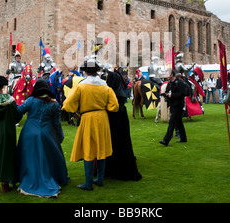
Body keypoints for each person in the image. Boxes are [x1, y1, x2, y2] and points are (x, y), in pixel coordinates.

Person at [62, 59, 119, 191]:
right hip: (102, 118)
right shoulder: (105, 86)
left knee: (88, 148)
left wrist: (75, 111)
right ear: (97, 71)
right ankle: (99, 179)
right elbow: (114, 106)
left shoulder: (81, 86)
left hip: (87, 118)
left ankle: (88, 182)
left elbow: (67, 104)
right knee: (101, 148)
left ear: (86, 72)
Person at [15, 79, 69, 198]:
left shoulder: (31, 100)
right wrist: (60, 136)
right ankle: (50, 177)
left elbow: (18, 110)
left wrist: (11, 102)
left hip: (29, 133)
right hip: (47, 133)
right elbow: (57, 124)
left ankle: (29, 178)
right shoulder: (54, 104)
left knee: (30, 158)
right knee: (46, 158)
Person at [104, 69, 142, 181]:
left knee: (118, 144)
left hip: (116, 123)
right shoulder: (118, 92)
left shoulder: (116, 94)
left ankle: (116, 171)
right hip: (119, 121)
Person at [159, 69, 188, 146]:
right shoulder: (169, 84)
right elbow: (169, 93)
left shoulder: (179, 83)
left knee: (172, 122)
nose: (165, 76)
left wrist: (172, 95)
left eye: (167, 74)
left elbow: (183, 93)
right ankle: (183, 138)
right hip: (173, 105)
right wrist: (166, 95)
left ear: (171, 74)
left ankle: (166, 140)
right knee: (179, 123)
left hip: (178, 105)